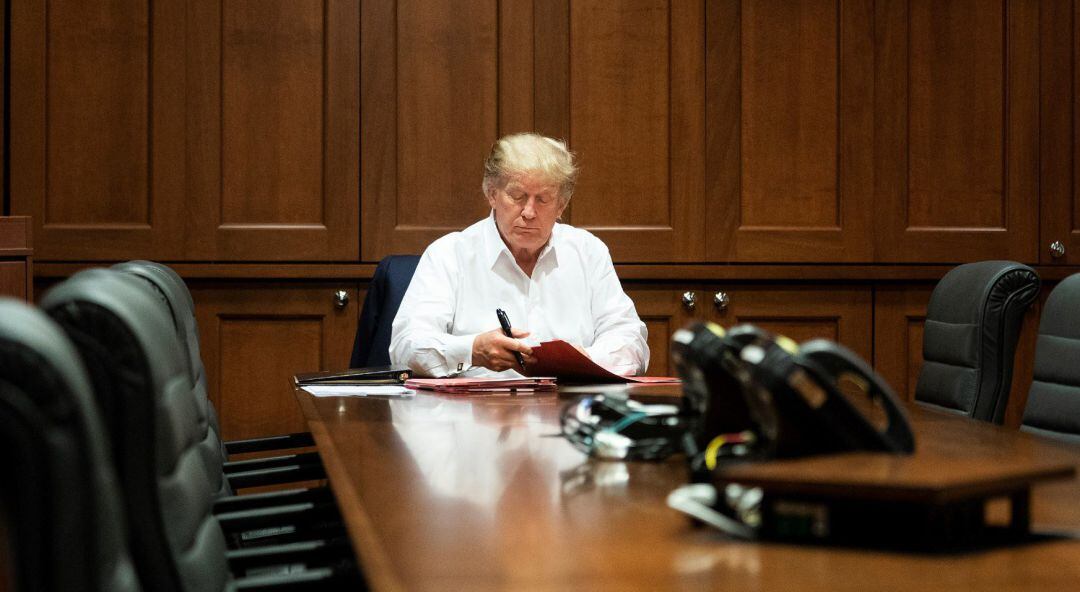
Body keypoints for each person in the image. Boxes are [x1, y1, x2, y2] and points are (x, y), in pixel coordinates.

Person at [389, 132, 649, 377]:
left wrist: (585, 359)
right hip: (475, 416)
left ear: (562, 205)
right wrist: (472, 350)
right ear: (492, 194)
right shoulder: (450, 254)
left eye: (543, 199)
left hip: (566, 411)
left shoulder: (588, 252)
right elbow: (405, 346)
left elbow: (631, 340)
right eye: (517, 196)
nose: (528, 212)